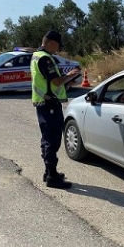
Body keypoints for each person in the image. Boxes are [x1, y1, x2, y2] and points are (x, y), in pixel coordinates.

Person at [30, 30, 81, 189]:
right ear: (51, 42)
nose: (58, 50)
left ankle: (49, 172)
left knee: (47, 138)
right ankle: (52, 176)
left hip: (43, 102)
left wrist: (69, 84)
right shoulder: (45, 59)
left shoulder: (36, 56)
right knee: (52, 140)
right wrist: (71, 75)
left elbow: (49, 83)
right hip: (49, 105)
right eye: (58, 46)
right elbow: (57, 81)